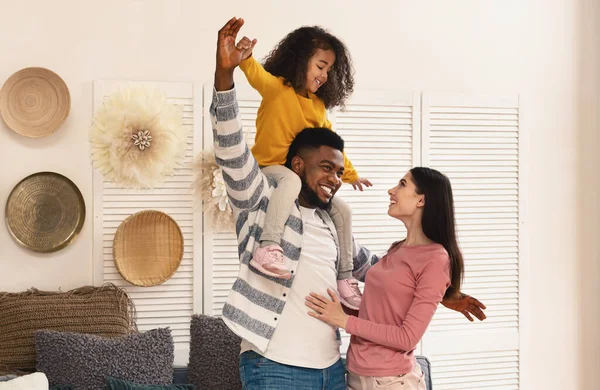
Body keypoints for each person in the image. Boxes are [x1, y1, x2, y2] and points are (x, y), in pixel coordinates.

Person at [210, 17, 486, 390]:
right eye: (325, 168)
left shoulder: (331, 222)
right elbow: (230, 148)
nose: (334, 179)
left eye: (339, 172)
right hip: (274, 364)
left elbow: (380, 272)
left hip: (335, 369)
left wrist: (443, 295)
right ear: (296, 165)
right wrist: (224, 77)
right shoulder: (262, 198)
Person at [234, 23, 369, 309]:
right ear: (300, 61)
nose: (324, 75)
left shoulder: (318, 106)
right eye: (321, 65)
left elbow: (331, 148)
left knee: (342, 209)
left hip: (297, 176)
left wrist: (352, 175)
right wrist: (245, 57)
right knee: (291, 182)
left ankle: (345, 278)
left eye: (329, 70)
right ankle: (268, 246)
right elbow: (256, 75)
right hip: (270, 168)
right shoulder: (278, 89)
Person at [306, 167, 475, 389]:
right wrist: (340, 309)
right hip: (357, 376)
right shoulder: (398, 249)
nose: (391, 190)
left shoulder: (436, 258)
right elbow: (379, 311)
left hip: (391, 381)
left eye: (402, 184)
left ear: (421, 200)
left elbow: (407, 337)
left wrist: (343, 320)